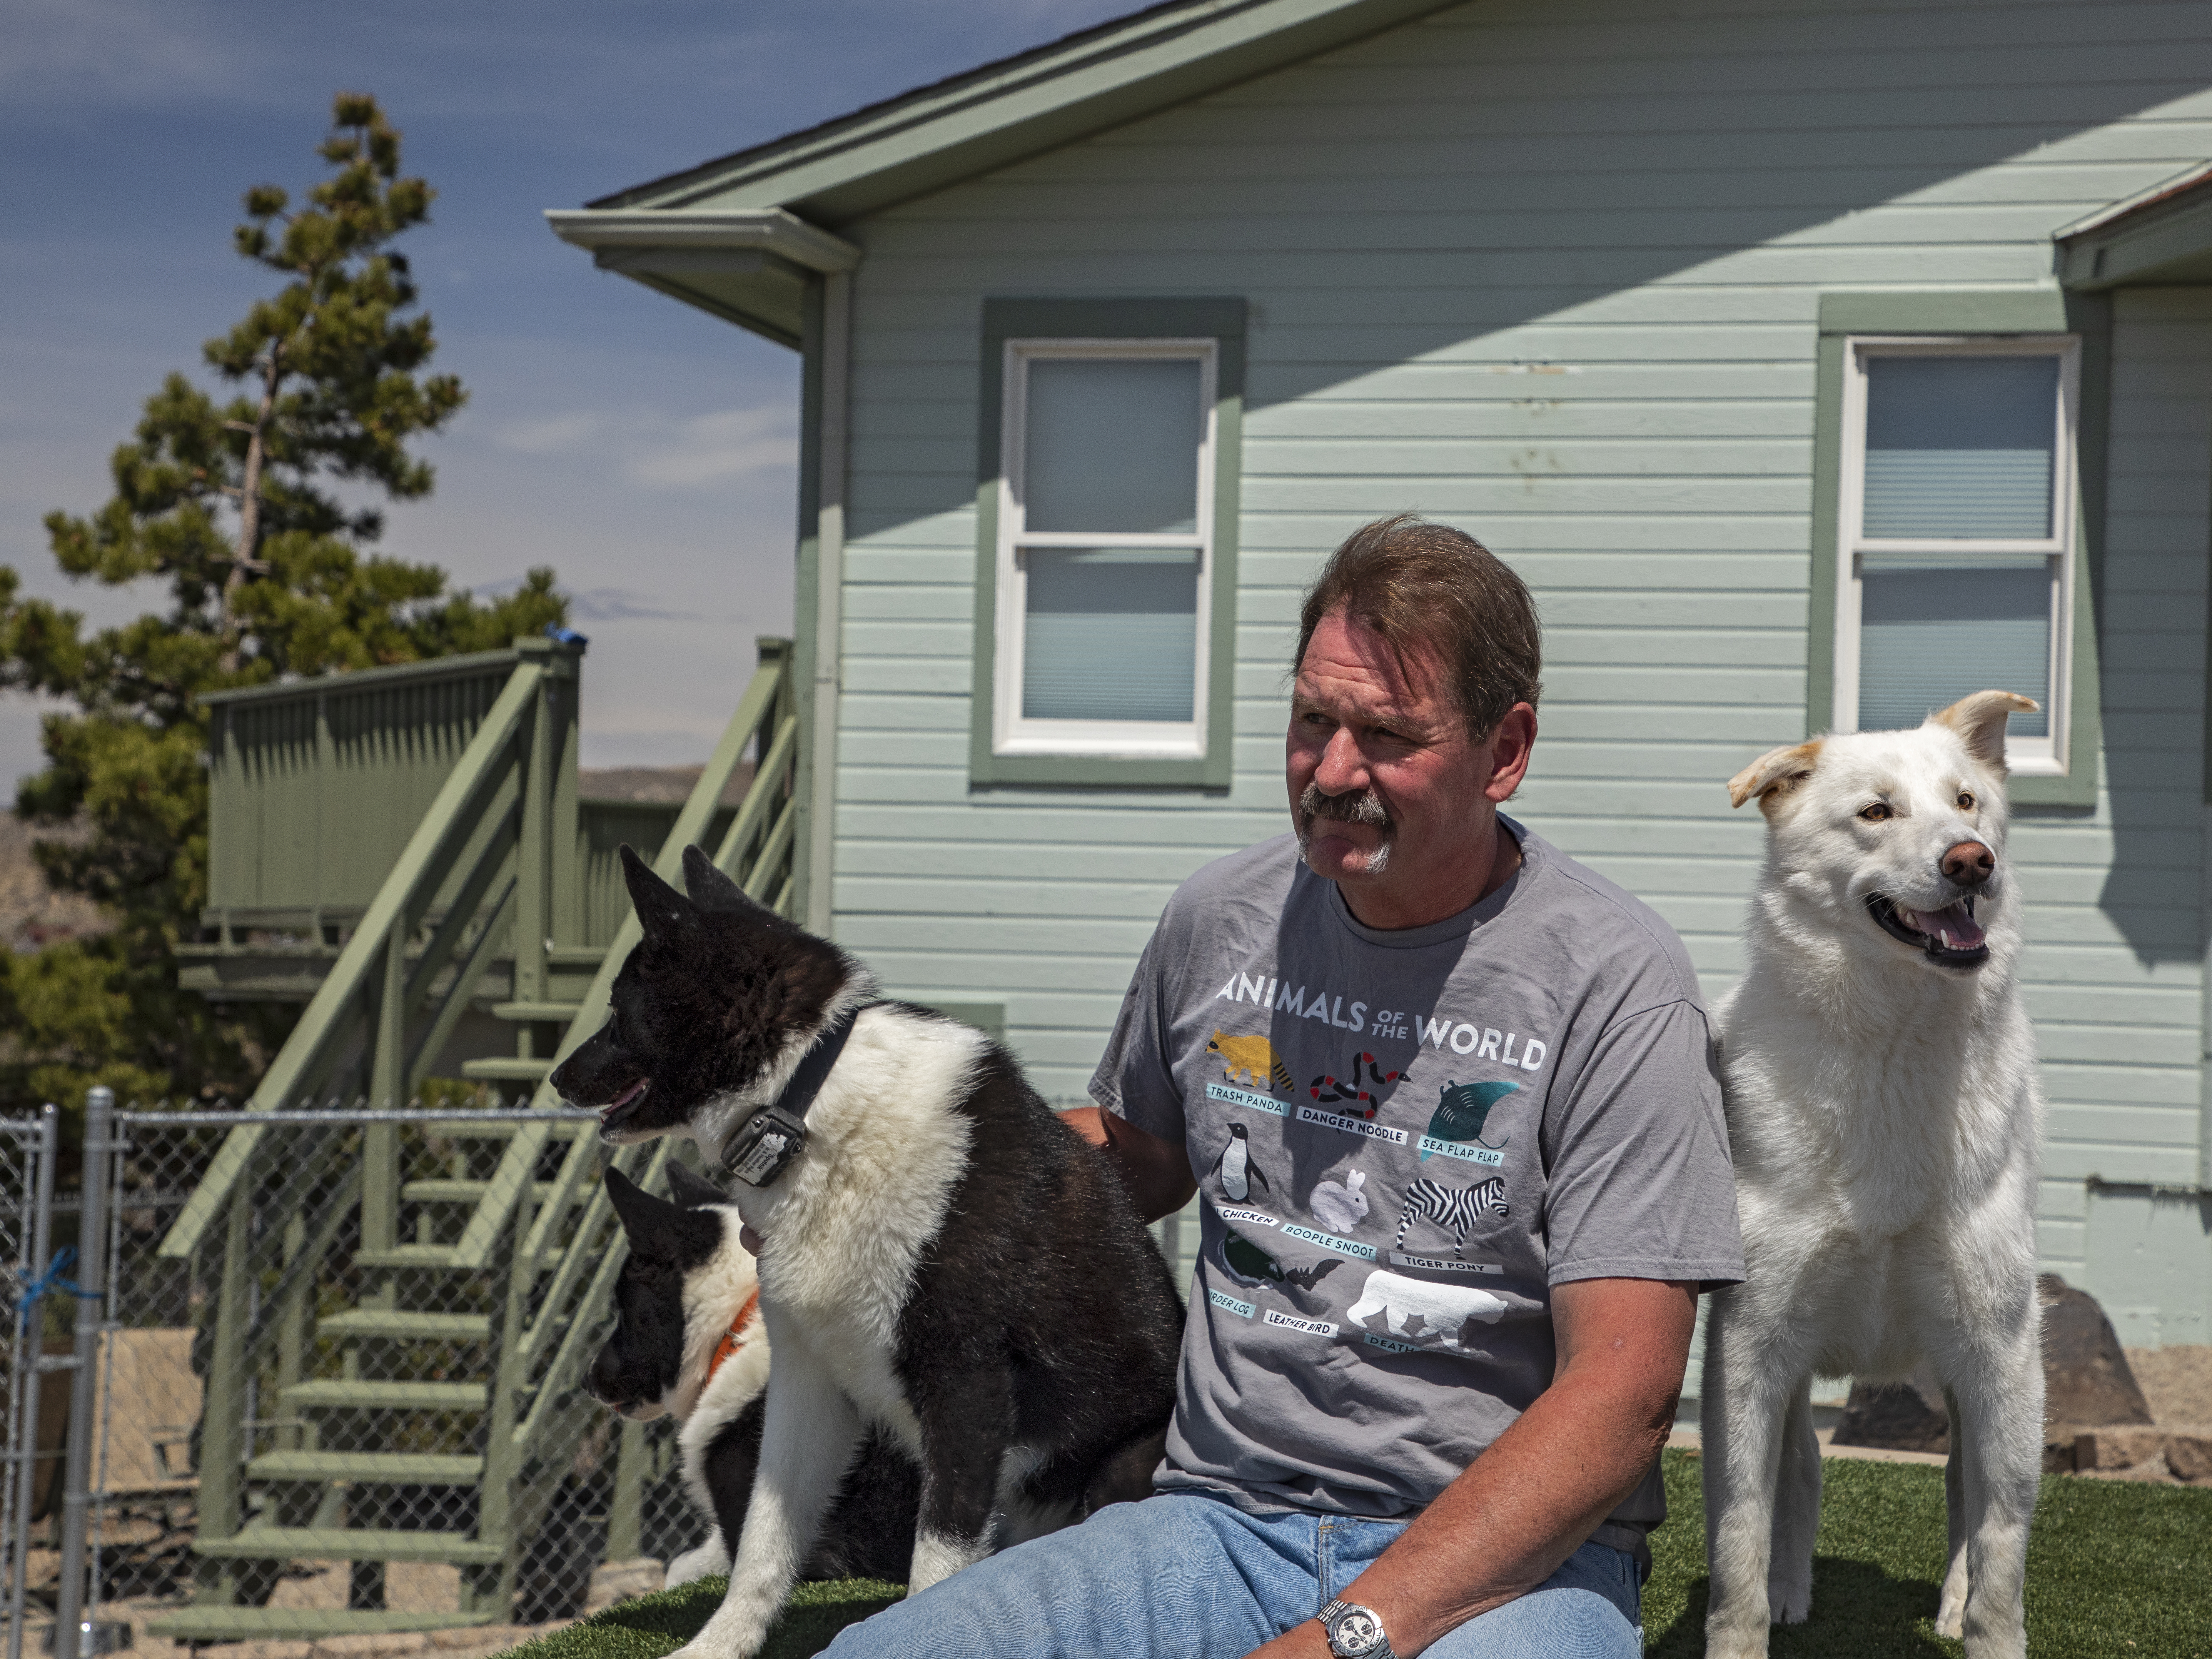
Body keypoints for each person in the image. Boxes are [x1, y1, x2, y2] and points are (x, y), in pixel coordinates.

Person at [827, 514, 1744, 1659]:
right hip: (1216, 1521)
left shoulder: (1616, 980)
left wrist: (1350, 1636)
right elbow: (1141, 1155)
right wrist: (890, 1163)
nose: (1333, 771)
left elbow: (1625, 1394)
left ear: (1505, 751)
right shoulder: (1219, 918)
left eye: (1387, 736)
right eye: (1314, 720)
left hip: (1512, 1567)